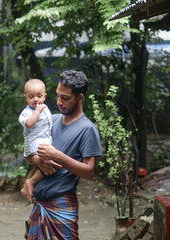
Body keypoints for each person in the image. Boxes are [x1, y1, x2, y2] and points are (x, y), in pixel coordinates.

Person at [24, 70, 102, 240]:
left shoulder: (87, 129)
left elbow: (89, 171)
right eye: (58, 96)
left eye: (65, 98)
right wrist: (36, 160)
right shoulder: (52, 119)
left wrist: (58, 156)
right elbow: (28, 152)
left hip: (62, 204)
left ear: (80, 97)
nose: (59, 102)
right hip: (40, 203)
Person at [18, 79, 53, 203]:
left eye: (39, 96)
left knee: (36, 168)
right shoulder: (26, 113)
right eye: (31, 97)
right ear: (25, 98)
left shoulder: (45, 108)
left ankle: (26, 188)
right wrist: (37, 112)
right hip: (33, 144)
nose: (36, 100)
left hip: (45, 142)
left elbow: (49, 124)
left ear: (44, 96)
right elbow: (29, 124)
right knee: (47, 163)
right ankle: (31, 182)